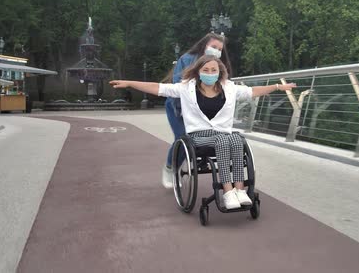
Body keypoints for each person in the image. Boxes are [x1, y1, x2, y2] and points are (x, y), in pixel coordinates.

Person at [110, 55, 296, 209]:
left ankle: (240, 190)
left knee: (237, 140)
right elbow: (158, 88)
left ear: (219, 72)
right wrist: (129, 83)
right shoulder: (186, 88)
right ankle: (228, 192)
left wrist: (278, 87)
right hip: (197, 137)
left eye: (213, 70)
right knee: (225, 141)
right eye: (205, 70)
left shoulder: (229, 88)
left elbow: (252, 91)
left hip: (222, 134)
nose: (209, 74)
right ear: (198, 72)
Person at [161, 33, 232, 189]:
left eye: (219, 49)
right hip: (178, 106)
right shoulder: (187, 60)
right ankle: (170, 168)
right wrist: (183, 111)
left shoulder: (218, 64)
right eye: (214, 47)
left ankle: (198, 157)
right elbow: (177, 87)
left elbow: (223, 86)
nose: (216, 51)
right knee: (182, 136)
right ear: (205, 45)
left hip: (201, 107)